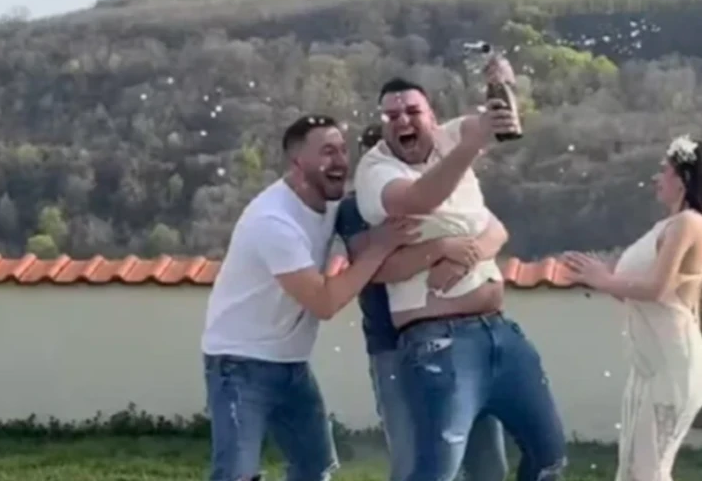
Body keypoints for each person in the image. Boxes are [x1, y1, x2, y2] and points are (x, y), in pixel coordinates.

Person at [352, 71, 567, 481]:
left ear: (432, 117)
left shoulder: (450, 141)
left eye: (412, 111)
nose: (402, 120)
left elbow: (496, 228)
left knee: (549, 455)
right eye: (391, 115)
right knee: (437, 470)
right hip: (438, 342)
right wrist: (470, 149)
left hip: (500, 332)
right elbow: (417, 200)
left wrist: (500, 99)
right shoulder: (375, 170)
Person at [200, 115, 419, 481]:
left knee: (313, 467)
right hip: (239, 363)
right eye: (328, 152)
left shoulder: (329, 204)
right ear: (298, 163)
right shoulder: (273, 222)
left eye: (342, 150)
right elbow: (324, 303)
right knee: (236, 474)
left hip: (292, 362)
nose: (341, 161)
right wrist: (379, 248)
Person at [335, 124, 509, 481]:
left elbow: (496, 231)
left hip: (467, 338)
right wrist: (441, 250)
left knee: (486, 460)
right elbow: (370, 269)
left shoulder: (439, 193)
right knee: (416, 460)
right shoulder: (355, 208)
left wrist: (463, 258)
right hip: (393, 346)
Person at [561, 134, 702, 481]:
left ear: (683, 179)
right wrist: (600, 279)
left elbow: (656, 289)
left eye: (664, 170)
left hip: (674, 367)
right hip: (650, 367)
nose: (656, 178)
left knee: (650, 471)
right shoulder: (666, 226)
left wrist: (603, 279)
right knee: (635, 471)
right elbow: (640, 294)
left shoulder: (690, 223)